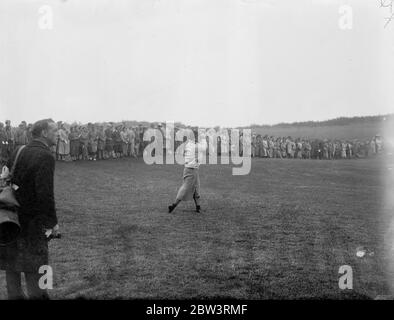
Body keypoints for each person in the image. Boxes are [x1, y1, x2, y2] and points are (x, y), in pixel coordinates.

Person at [0, 118, 59, 299]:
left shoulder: (19, 150)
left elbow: (6, 175)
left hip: (11, 218)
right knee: (37, 267)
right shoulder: (46, 156)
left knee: (12, 266)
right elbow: (45, 194)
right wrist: (52, 223)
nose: (58, 134)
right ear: (44, 133)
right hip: (32, 222)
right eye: (55, 131)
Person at [168, 130, 207, 214]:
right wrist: (204, 138)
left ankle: (198, 207)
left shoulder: (189, 144)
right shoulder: (195, 146)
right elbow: (204, 148)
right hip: (191, 170)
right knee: (185, 188)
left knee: (196, 188)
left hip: (191, 169)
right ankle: (173, 205)